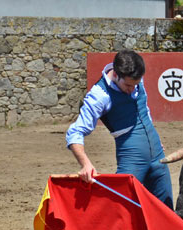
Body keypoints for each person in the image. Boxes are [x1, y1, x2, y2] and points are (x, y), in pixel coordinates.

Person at [65, 49, 173, 209]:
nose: (132, 90)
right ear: (115, 74)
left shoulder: (135, 79)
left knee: (166, 210)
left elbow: (143, 109)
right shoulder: (99, 95)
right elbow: (75, 132)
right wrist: (85, 164)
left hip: (158, 156)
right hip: (131, 159)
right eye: (128, 85)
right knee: (121, 211)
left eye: (136, 85)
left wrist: (152, 139)